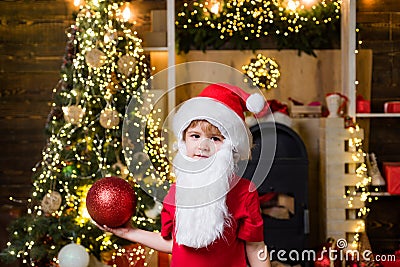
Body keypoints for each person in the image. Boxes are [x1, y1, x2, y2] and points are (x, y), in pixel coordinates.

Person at [95, 83, 271, 267]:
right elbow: (173, 244)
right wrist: (129, 233)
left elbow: (256, 247)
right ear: (183, 140)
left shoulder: (244, 191)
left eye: (215, 138)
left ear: (232, 146)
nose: (203, 146)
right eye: (195, 136)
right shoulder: (177, 191)